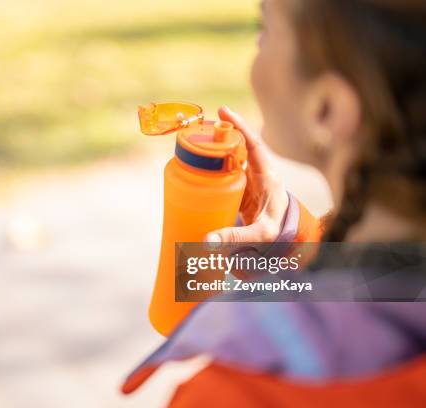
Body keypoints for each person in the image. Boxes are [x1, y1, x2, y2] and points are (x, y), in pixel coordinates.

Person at [122, 0, 426, 406]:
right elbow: (391, 278)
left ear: (327, 109)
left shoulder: (232, 396)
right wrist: (292, 242)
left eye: (263, 28)